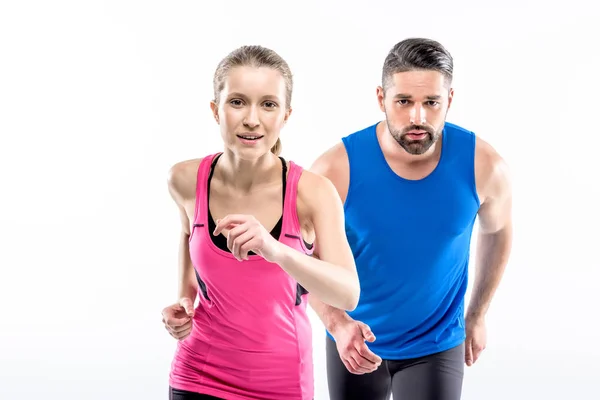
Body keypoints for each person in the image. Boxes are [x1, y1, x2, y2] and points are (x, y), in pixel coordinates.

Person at [309, 38, 513, 400]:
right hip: (354, 337)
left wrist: (478, 312)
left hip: (435, 341)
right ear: (380, 98)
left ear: (448, 100)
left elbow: (497, 231)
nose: (417, 117)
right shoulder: (335, 169)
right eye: (403, 102)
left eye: (431, 103)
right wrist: (336, 323)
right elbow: (298, 255)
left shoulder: (484, 165)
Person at [160, 45, 360, 400]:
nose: (252, 119)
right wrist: (184, 300)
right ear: (215, 110)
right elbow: (189, 236)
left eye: (268, 104)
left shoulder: (312, 193)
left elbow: (347, 292)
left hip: (281, 384)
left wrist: (275, 250)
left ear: (285, 115)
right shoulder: (185, 179)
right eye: (237, 102)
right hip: (198, 375)